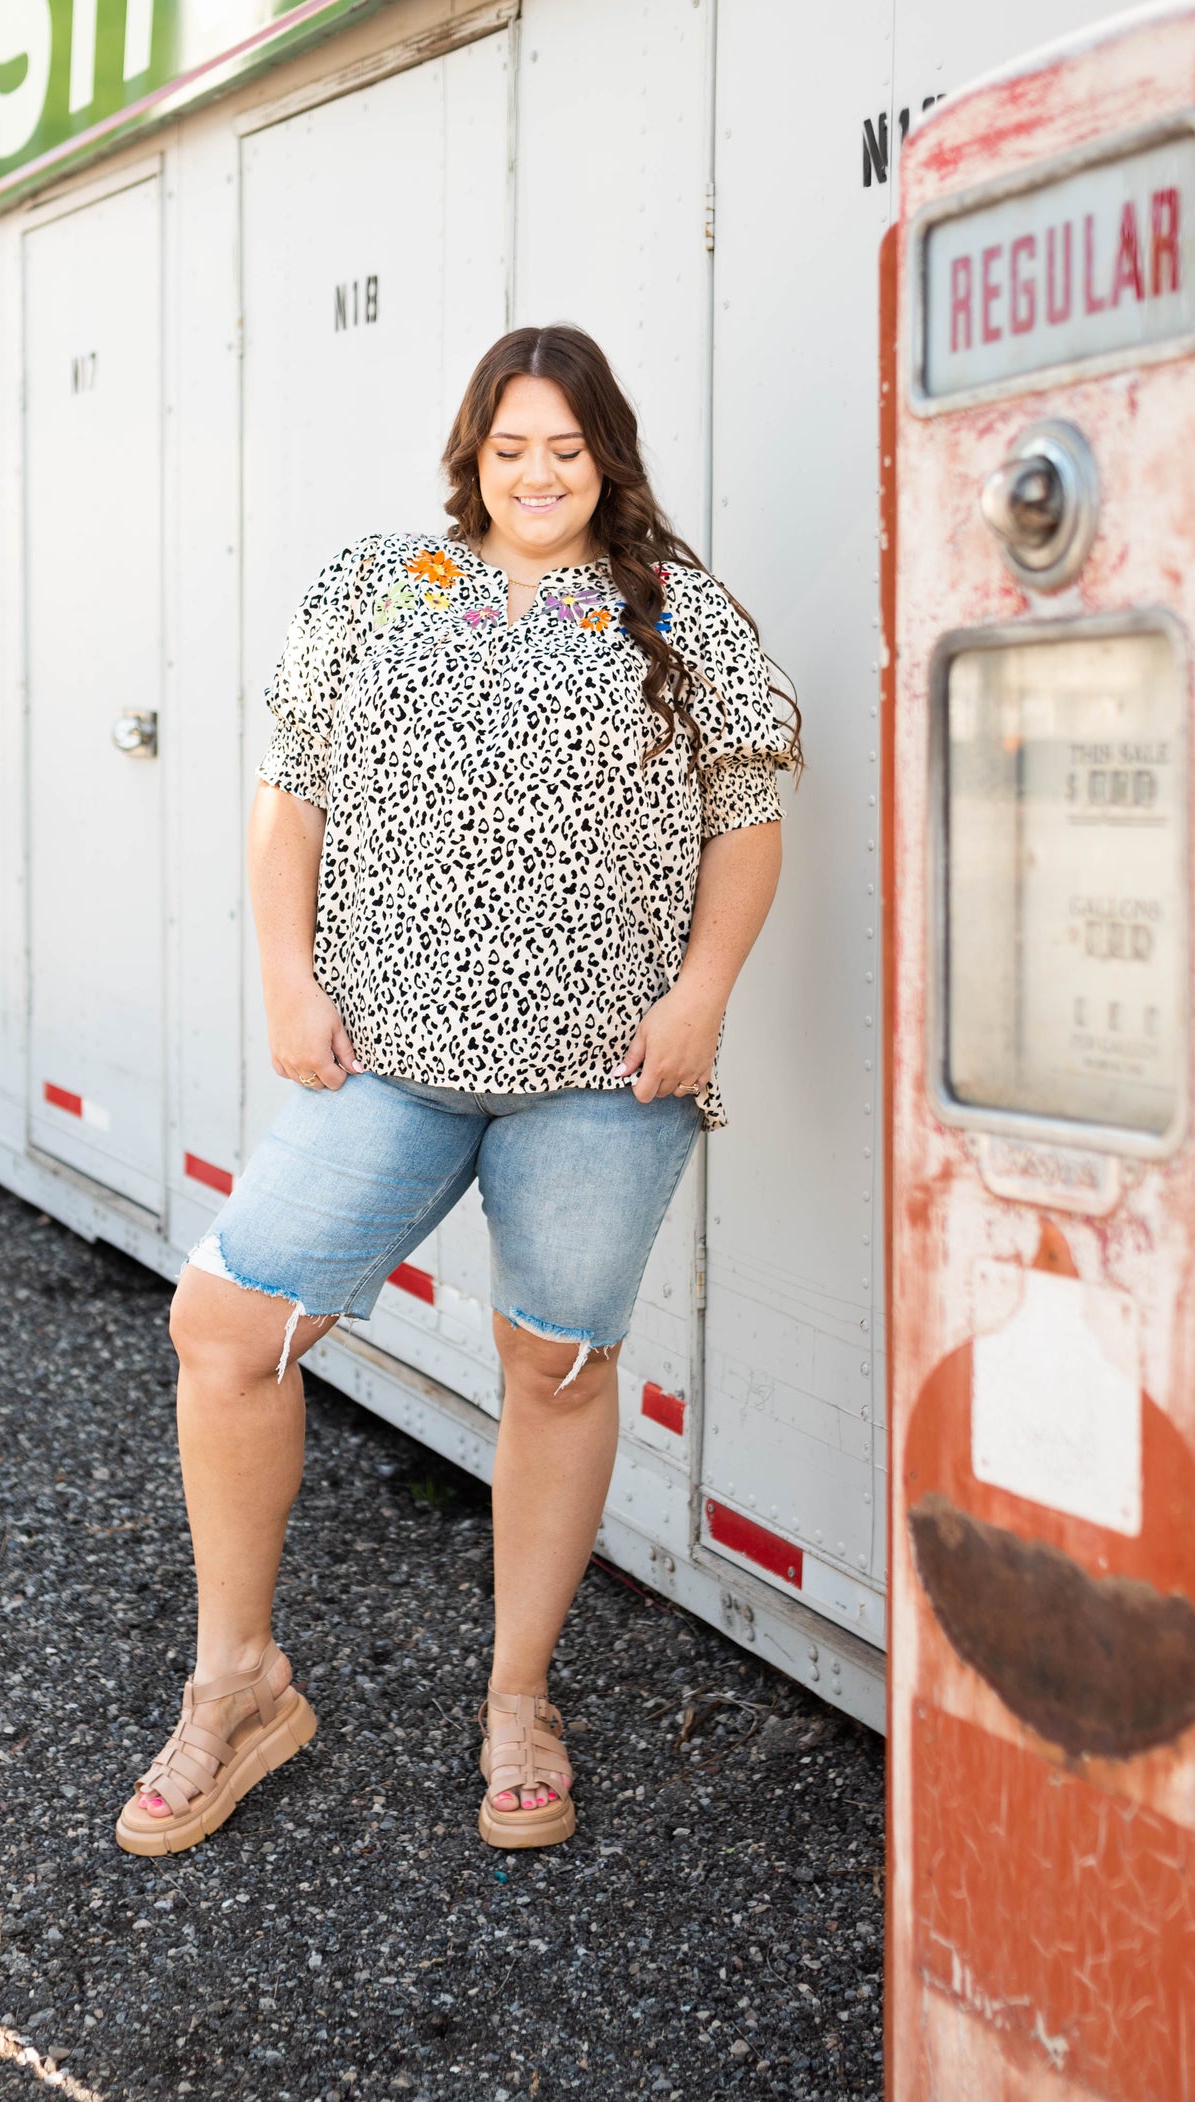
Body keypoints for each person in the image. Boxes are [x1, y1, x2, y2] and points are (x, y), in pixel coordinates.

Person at [115, 323, 800, 1858]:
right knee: (224, 1328)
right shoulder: (375, 586)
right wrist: (290, 980)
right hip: (391, 1064)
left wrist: (701, 999)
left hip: (602, 1076)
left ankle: (518, 1695)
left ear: (607, 455)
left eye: (568, 446)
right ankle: (239, 1683)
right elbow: (289, 795)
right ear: (471, 455)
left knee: (551, 1366)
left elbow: (747, 819)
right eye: (512, 447)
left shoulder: (681, 613)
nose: (540, 472)